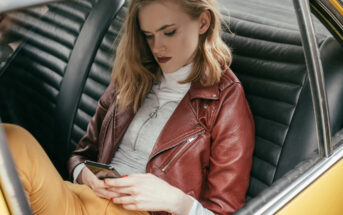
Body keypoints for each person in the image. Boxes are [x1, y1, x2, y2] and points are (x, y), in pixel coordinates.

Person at [4, 0, 255, 214]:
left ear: (203, 22)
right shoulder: (134, 77)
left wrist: (175, 200)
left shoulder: (226, 99)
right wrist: (83, 173)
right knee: (11, 139)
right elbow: (81, 154)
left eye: (169, 32)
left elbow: (226, 209)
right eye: (149, 35)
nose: (157, 47)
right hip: (82, 199)